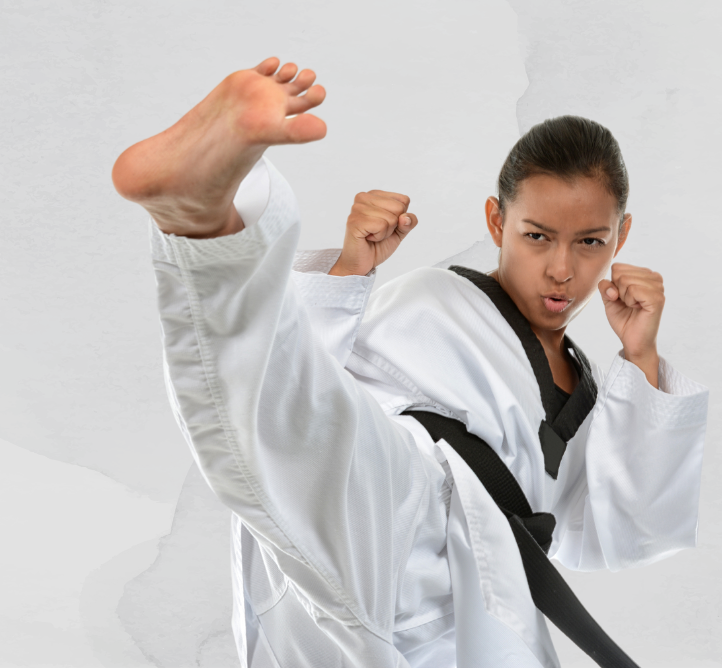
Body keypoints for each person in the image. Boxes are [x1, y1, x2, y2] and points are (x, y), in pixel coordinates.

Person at [112, 57, 709, 668]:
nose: (562, 268)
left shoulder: (590, 389)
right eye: (537, 235)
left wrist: (640, 355)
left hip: (462, 610)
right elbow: (306, 385)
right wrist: (351, 270)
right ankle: (202, 223)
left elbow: (625, 534)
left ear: (621, 235)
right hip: (386, 507)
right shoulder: (436, 298)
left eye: (590, 242)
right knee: (287, 424)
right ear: (496, 221)